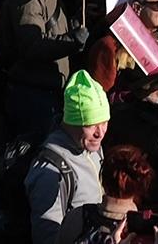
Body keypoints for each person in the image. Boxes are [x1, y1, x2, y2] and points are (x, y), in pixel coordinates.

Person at [26, 70, 109, 244]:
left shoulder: (90, 147)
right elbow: (47, 239)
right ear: (72, 121)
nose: (100, 133)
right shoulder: (49, 173)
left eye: (104, 122)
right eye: (91, 125)